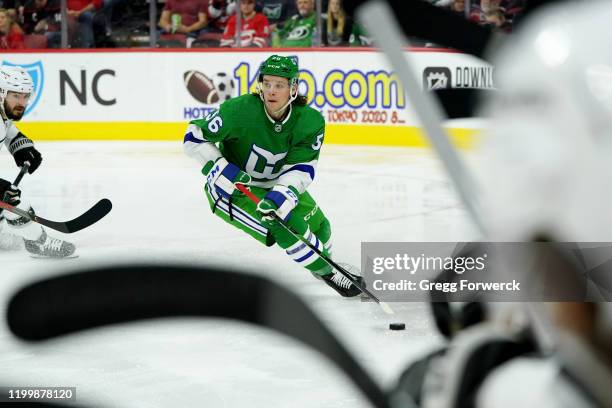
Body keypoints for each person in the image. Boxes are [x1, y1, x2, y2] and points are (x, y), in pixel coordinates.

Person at [183, 55, 363, 297]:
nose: (271, 91)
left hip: (274, 183)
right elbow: (194, 137)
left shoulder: (310, 121)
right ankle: (329, 272)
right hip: (232, 189)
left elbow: (302, 167)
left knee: (321, 227)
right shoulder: (237, 111)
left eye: (279, 85)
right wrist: (217, 164)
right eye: (266, 84)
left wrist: (283, 192)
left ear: (293, 88)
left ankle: (322, 263)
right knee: (282, 224)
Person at [0, 66, 75, 258]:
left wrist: (21, 146)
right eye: (16, 96)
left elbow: (7, 131)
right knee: (14, 202)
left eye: (26, 97)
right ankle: (38, 243)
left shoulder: (2, 113)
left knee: (5, 209)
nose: (22, 102)